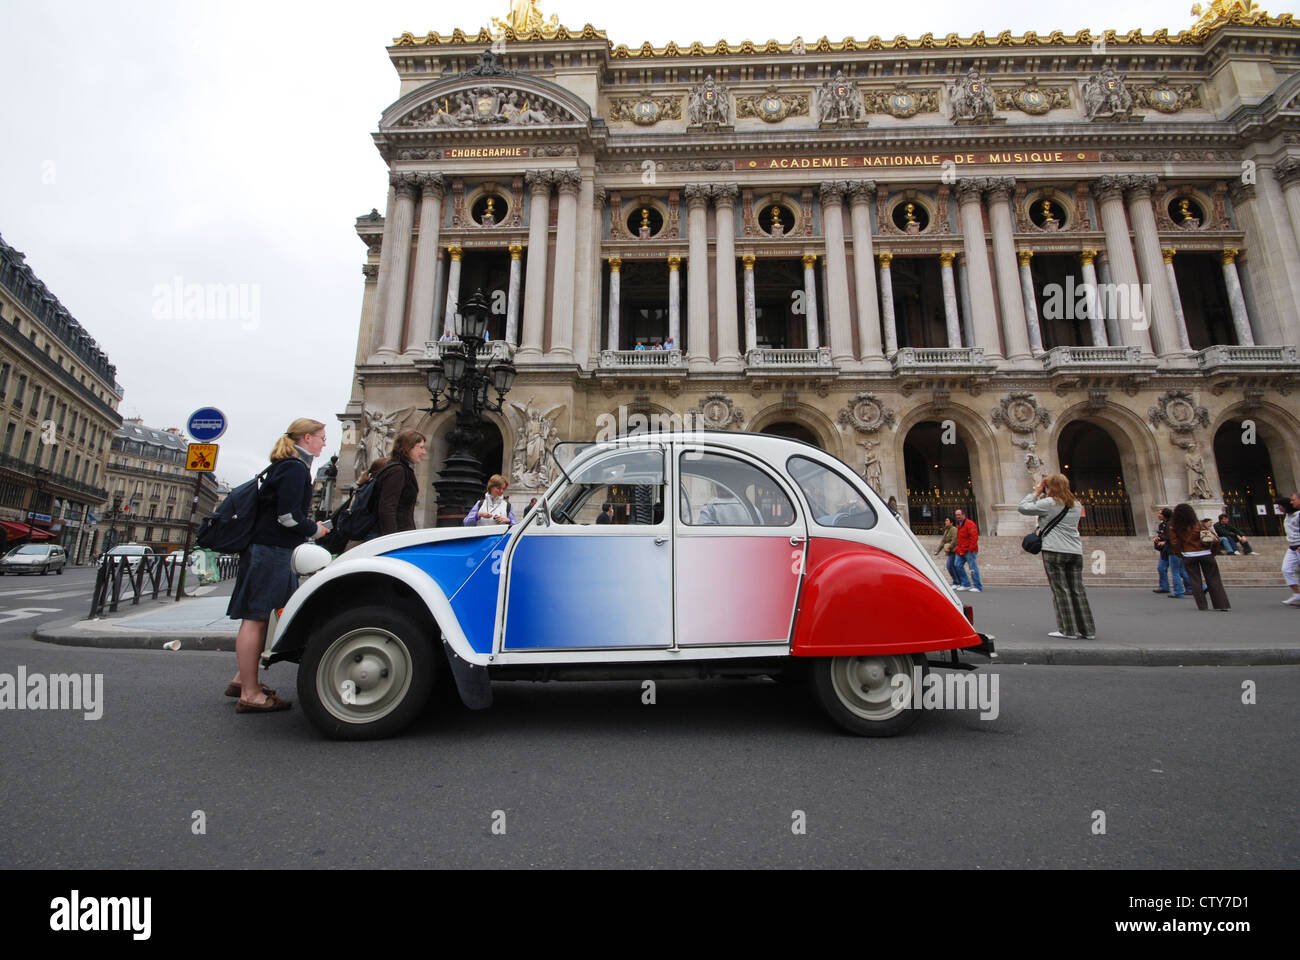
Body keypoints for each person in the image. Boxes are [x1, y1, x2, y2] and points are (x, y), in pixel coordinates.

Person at [226, 418, 329, 713]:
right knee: (257, 617)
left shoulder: (288, 465)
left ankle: (242, 679)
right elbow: (288, 517)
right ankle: (249, 692)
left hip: (267, 547)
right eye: (322, 437)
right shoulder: (294, 468)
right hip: (271, 549)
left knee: (260, 616)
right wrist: (316, 530)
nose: (324, 442)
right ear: (307, 438)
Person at [1020, 474, 1095, 638]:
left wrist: (1036, 492)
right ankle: (1087, 630)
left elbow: (1023, 507)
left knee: (1061, 590)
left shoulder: (1049, 503)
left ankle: (1067, 630)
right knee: (1078, 590)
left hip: (1054, 550)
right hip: (1075, 551)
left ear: (1049, 487)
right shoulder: (1076, 504)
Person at [1170, 503, 1230, 611]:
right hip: (1206, 554)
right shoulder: (1200, 524)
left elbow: (1174, 543)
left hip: (1188, 555)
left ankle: (1202, 606)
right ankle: (1221, 604)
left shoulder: (1174, 527)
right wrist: (1213, 552)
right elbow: (1215, 538)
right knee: (1214, 579)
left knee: (1195, 580)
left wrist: (1181, 554)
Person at [375, 431, 426, 535]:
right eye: (420, 447)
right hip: (396, 536)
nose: (424, 452)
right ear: (408, 447)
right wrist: (392, 540)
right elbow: (387, 507)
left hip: (400, 534)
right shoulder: (398, 470)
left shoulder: (402, 469)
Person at [1153, 506, 1192, 598]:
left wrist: (1165, 541)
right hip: (1170, 550)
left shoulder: (1171, 524)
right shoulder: (1164, 524)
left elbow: (1172, 537)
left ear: (1165, 515)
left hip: (1172, 550)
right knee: (1179, 570)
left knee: (1176, 572)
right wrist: (1160, 538)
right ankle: (1194, 588)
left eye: (1160, 513)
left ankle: (1179, 592)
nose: (1158, 515)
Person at [953, 508, 982, 593]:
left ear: (963, 515)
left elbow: (974, 537)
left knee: (973, 568)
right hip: (961, 549)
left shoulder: (970, 524)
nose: (957, 516)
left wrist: (971, 549)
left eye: (959, 515)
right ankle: (965, 584)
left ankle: (977, 586)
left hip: (969, 550)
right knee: (957, 565)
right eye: (956, 515)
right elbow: (959, 538)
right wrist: (958, 548)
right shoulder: (959, 524)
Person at [1282, 493, 1300, 606]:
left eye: (1293, 500)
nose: (1291, 502)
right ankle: (1297, 595)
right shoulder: (1289, 515)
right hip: (1292, 547)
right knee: (1286, 569)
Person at [934, 515, 960, 587]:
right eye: (945, 520)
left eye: (947, 520)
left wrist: (950, 547)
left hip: (954, 551)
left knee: (950, 566)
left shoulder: (954, 529)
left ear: (951, 523)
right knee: (952, 566)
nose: (945, 522)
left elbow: (955, 540)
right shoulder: (946, 530)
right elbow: (943, 541)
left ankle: (957, 582)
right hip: (950, 551)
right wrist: (938, 550)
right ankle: (957, 582)